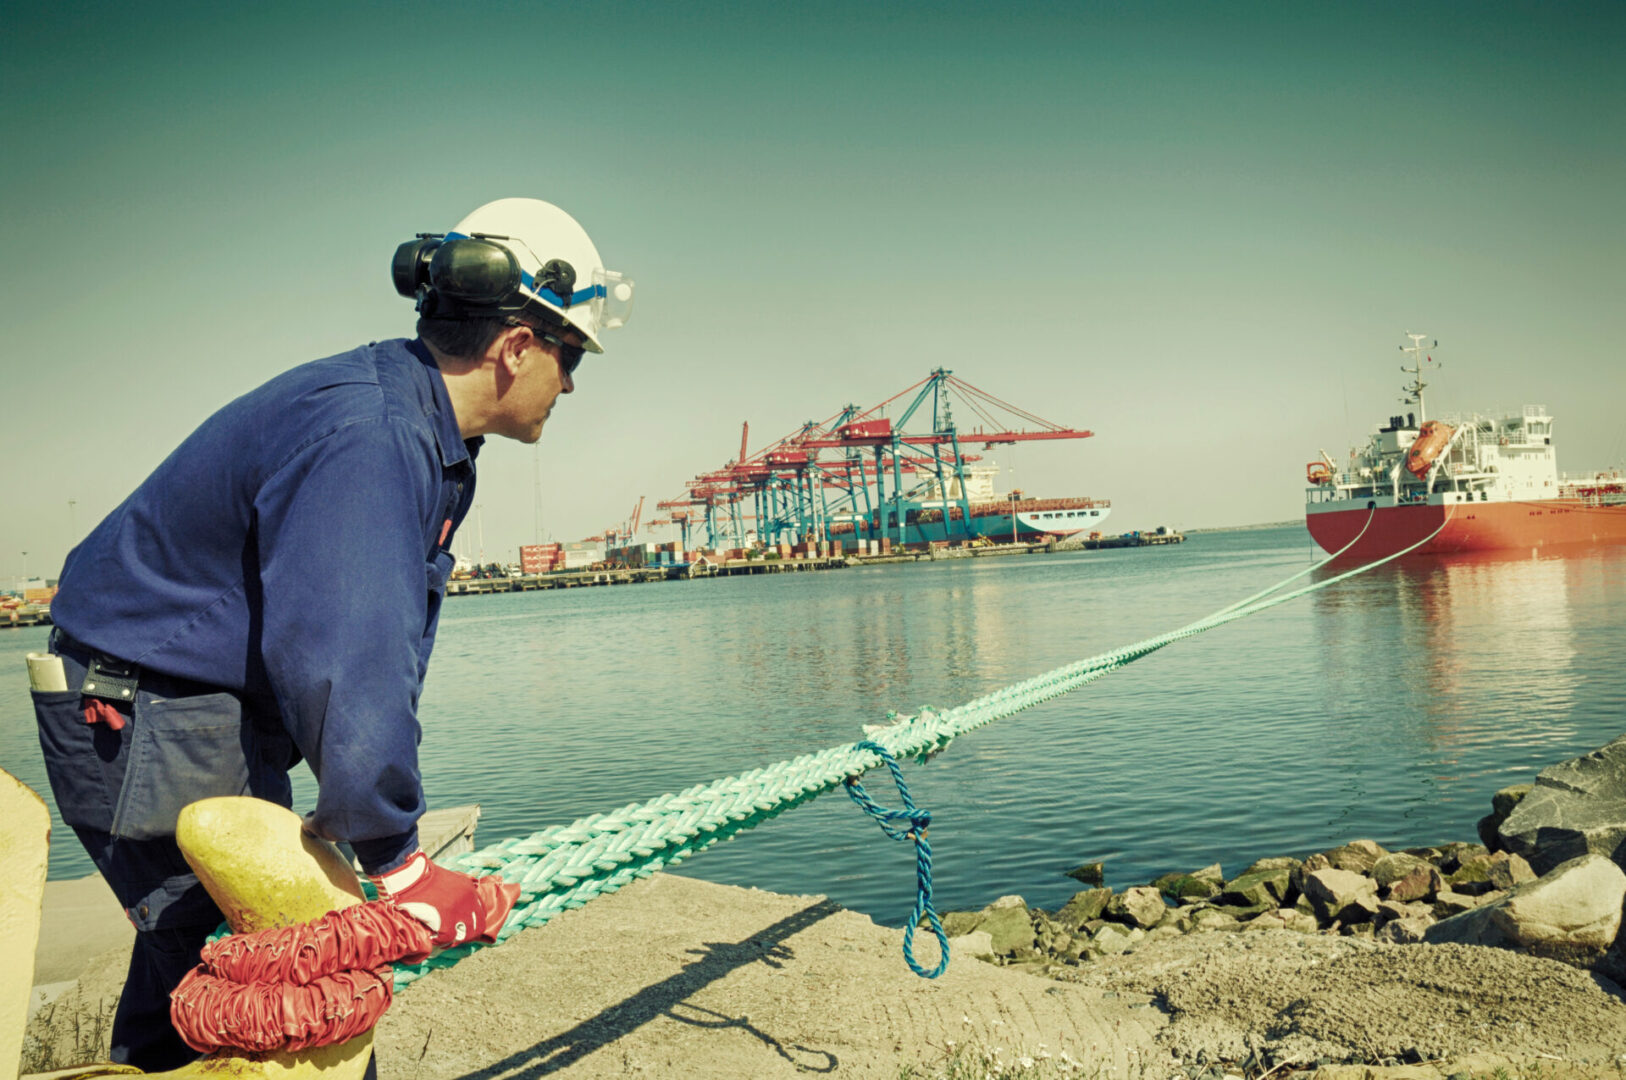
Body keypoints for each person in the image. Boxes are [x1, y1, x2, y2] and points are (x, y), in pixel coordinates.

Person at [30, 197, 632, 1069]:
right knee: (275, 983)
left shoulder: (408, 418)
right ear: (517, 347)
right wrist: (398, 866)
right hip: (147, 716)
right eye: (572, 356)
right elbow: (349, 657)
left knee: (207, 971)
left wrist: (374, 822)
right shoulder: (375, 433)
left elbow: (361, 649)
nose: (571, 383)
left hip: (179, 709)